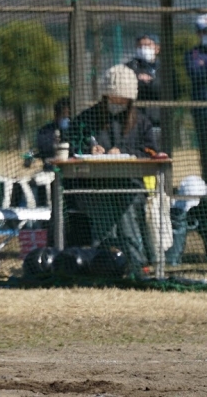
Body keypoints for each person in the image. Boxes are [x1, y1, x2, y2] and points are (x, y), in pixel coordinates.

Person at [69, 64, 158, 273]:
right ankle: (104, 265)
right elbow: (73, 144)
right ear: (105, 96)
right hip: (95, 186)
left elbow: (151, 151)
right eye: (114, 99)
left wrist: (125, 151)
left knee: (126, 214)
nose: (118, 104)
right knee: (104, 218)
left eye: (123, 100)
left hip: (130, 185)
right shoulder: (86, 119)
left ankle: (136, 265)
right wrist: (89, 149)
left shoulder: (141, 122)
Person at [186, 14, 207, 183]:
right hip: (201, 110)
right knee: (205, 148)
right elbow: (195, 73)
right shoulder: (192, 53)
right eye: (203, 32)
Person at [126, 33, 161, 129]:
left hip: (158, 119)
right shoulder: (130, 67)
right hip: (136, 119)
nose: (143, 48)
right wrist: (139, 80)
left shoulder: (164, 68)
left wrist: (152, 81)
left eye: (147, 45)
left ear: (157, 48)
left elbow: (168, 90)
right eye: (140, 46)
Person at [35, 96, 70, 171]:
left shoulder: (76, 129)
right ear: (56, 115)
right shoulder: (45, 131)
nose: (66, 118)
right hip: (51, 170)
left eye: (68, 115)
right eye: (63, 115)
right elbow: (45, 150)